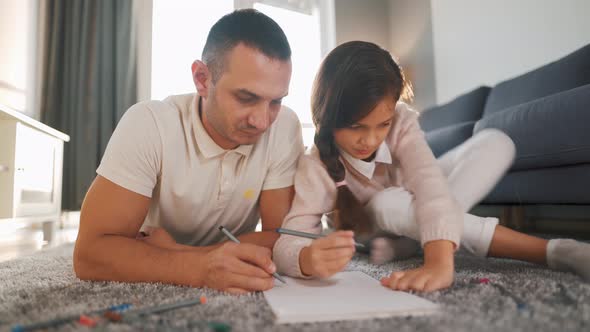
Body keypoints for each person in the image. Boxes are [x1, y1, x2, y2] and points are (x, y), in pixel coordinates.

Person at [273, 41, 590, 292]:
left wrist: (439, 261)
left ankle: (415, 241)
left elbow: (428, 182)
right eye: (357, 127)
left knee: (496, 141)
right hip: (374, 227)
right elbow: (289, 239)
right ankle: (559, 250)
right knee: (387, 201)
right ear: (327, 116)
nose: (370, 139)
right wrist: (305, 257)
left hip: (415, 206)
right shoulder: (315, 165)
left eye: (381, 124)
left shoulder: (401, 120)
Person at [74, 9, 304, 294]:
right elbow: (90, 255)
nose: (262, 120)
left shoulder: (284, 126)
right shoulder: (150, 123)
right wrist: (201, 268)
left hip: (157, 250)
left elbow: (284, 238)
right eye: (246, 97)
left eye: (275, 101)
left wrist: (179, 253)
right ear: (202, 79)